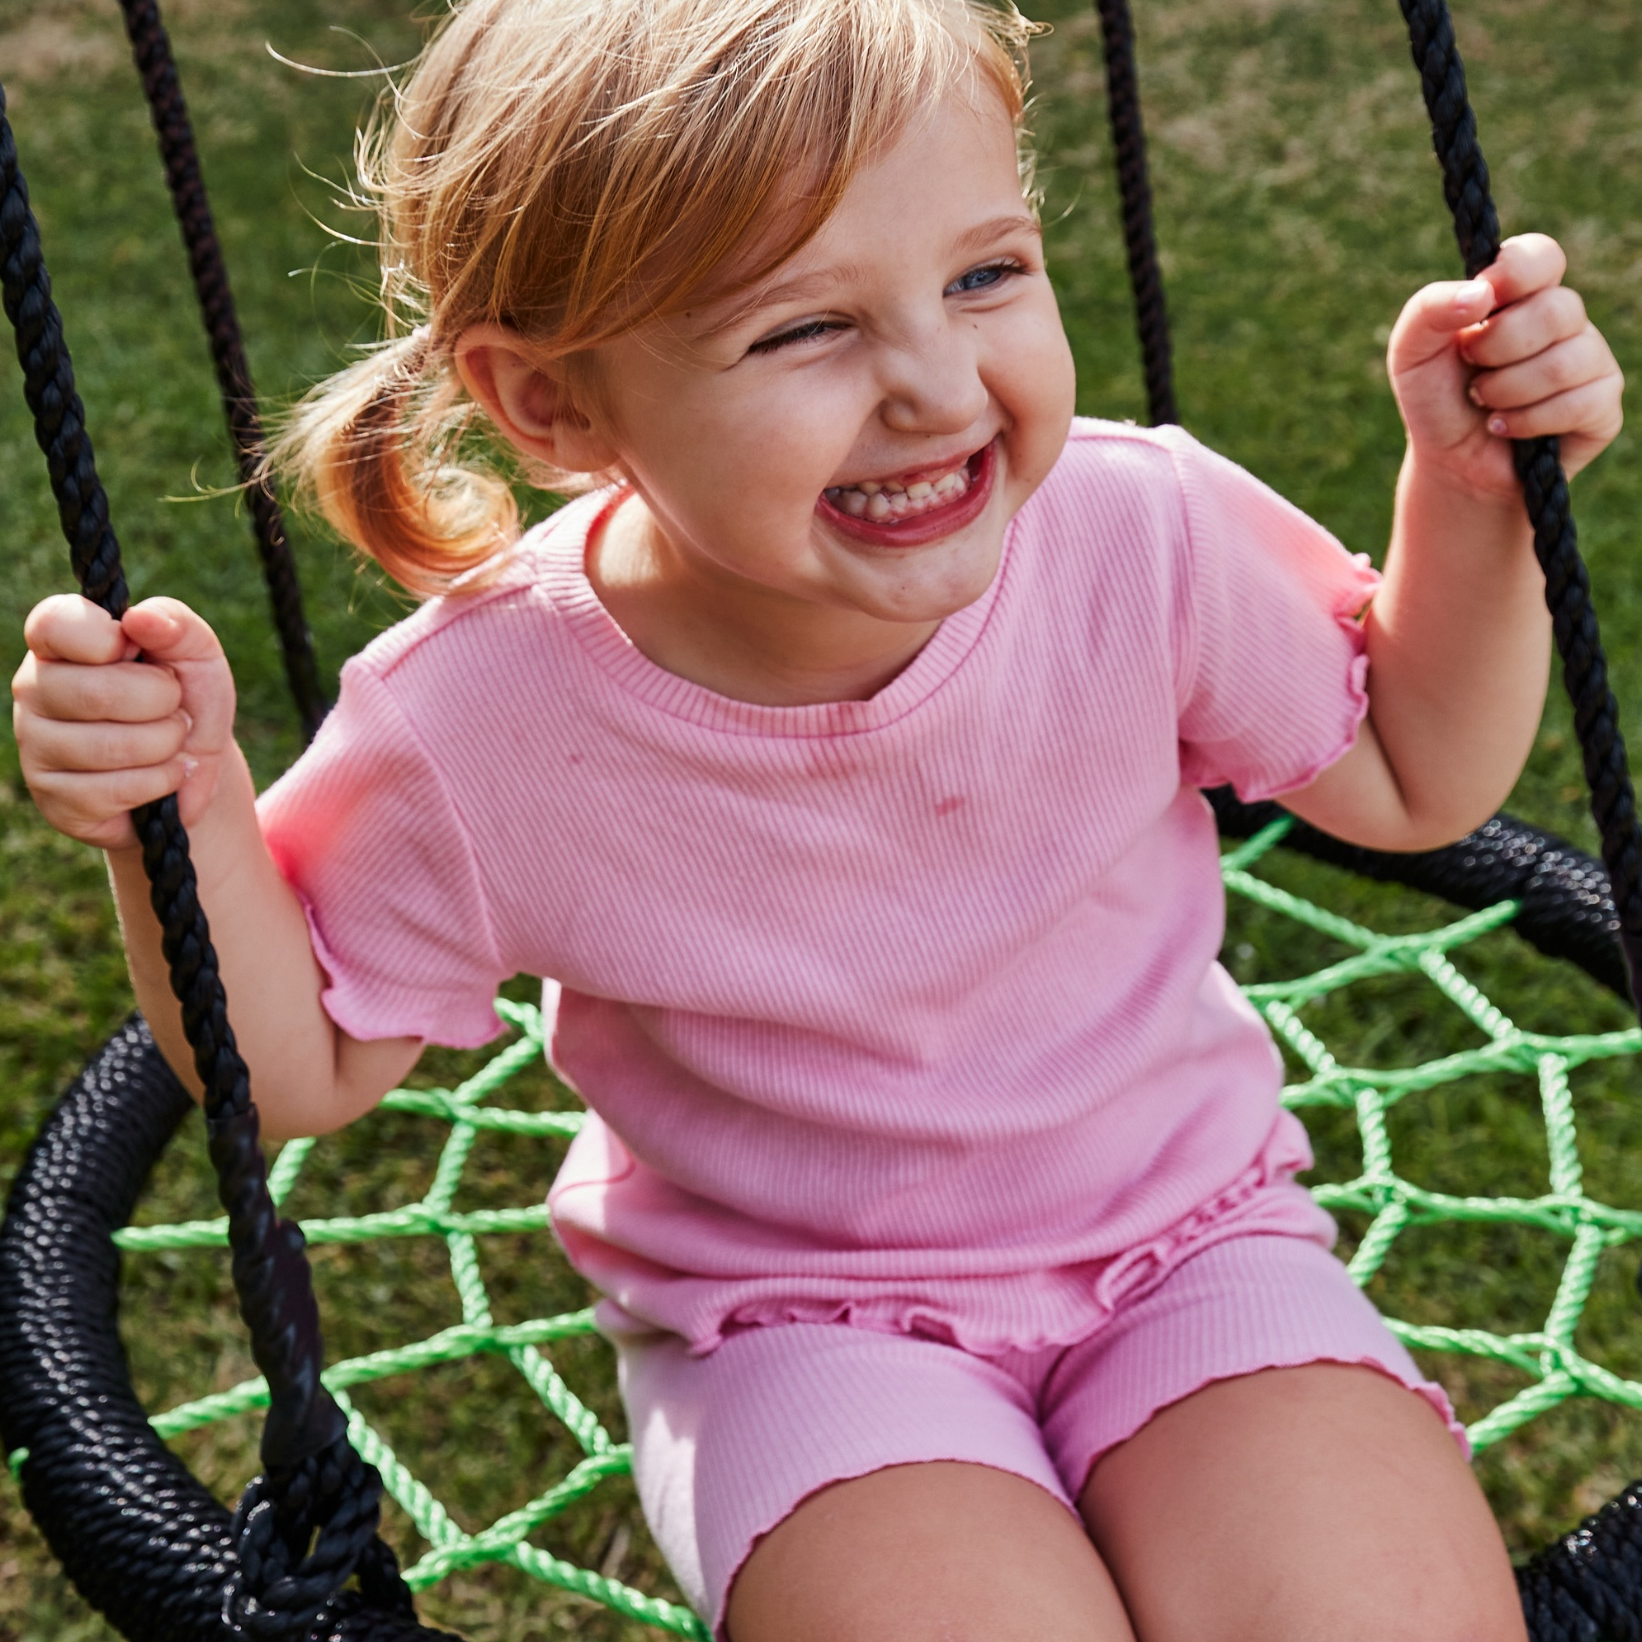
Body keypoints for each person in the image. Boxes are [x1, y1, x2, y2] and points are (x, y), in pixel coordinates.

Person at [10, 0, 1626, 1635]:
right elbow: (293, 1067)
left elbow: (1416, 776)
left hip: (1195, 1235)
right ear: (555, 404)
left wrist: (1475, 501)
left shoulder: (1137, 537)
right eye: (802, 330)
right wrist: (185, 805)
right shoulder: (480, 719)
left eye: (985, 273)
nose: (936, 385)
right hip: (788, 1322)